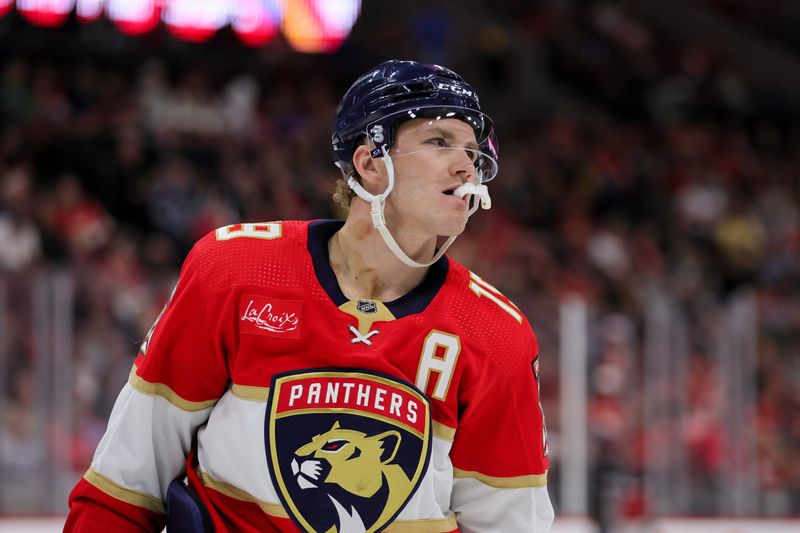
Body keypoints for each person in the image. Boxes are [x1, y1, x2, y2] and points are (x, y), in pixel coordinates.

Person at [65, 60, 554, 533]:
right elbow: (123, 487)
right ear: (369, 163)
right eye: (439, 141)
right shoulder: (234, 272)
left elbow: (510, 524)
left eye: (471, 151)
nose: (465, 166)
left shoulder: (496, 336)